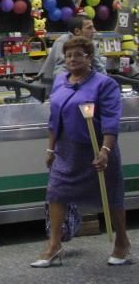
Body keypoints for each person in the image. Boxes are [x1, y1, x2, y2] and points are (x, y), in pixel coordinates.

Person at [32, 36, 131, 267]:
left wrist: (105, 150)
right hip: (66, 150)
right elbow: (54, 119)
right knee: (55, 193)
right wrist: (50, 148)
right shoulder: (60, 82)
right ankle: (54, 246)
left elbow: (110, 120)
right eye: (68, 55)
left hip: (96, 148)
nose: (73, 59)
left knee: (111, 196)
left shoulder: (104, 84)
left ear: (89, 58)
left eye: (78, 55)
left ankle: (122, 242)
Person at [39, 15, 106, 82]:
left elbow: (99, 67)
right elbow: (61, 70)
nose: (94, 31)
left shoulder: (91, 43)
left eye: (93, 27)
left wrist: (106, 84)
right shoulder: (64, 41)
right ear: (77, 31)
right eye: (89, 28)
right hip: (49, 86)